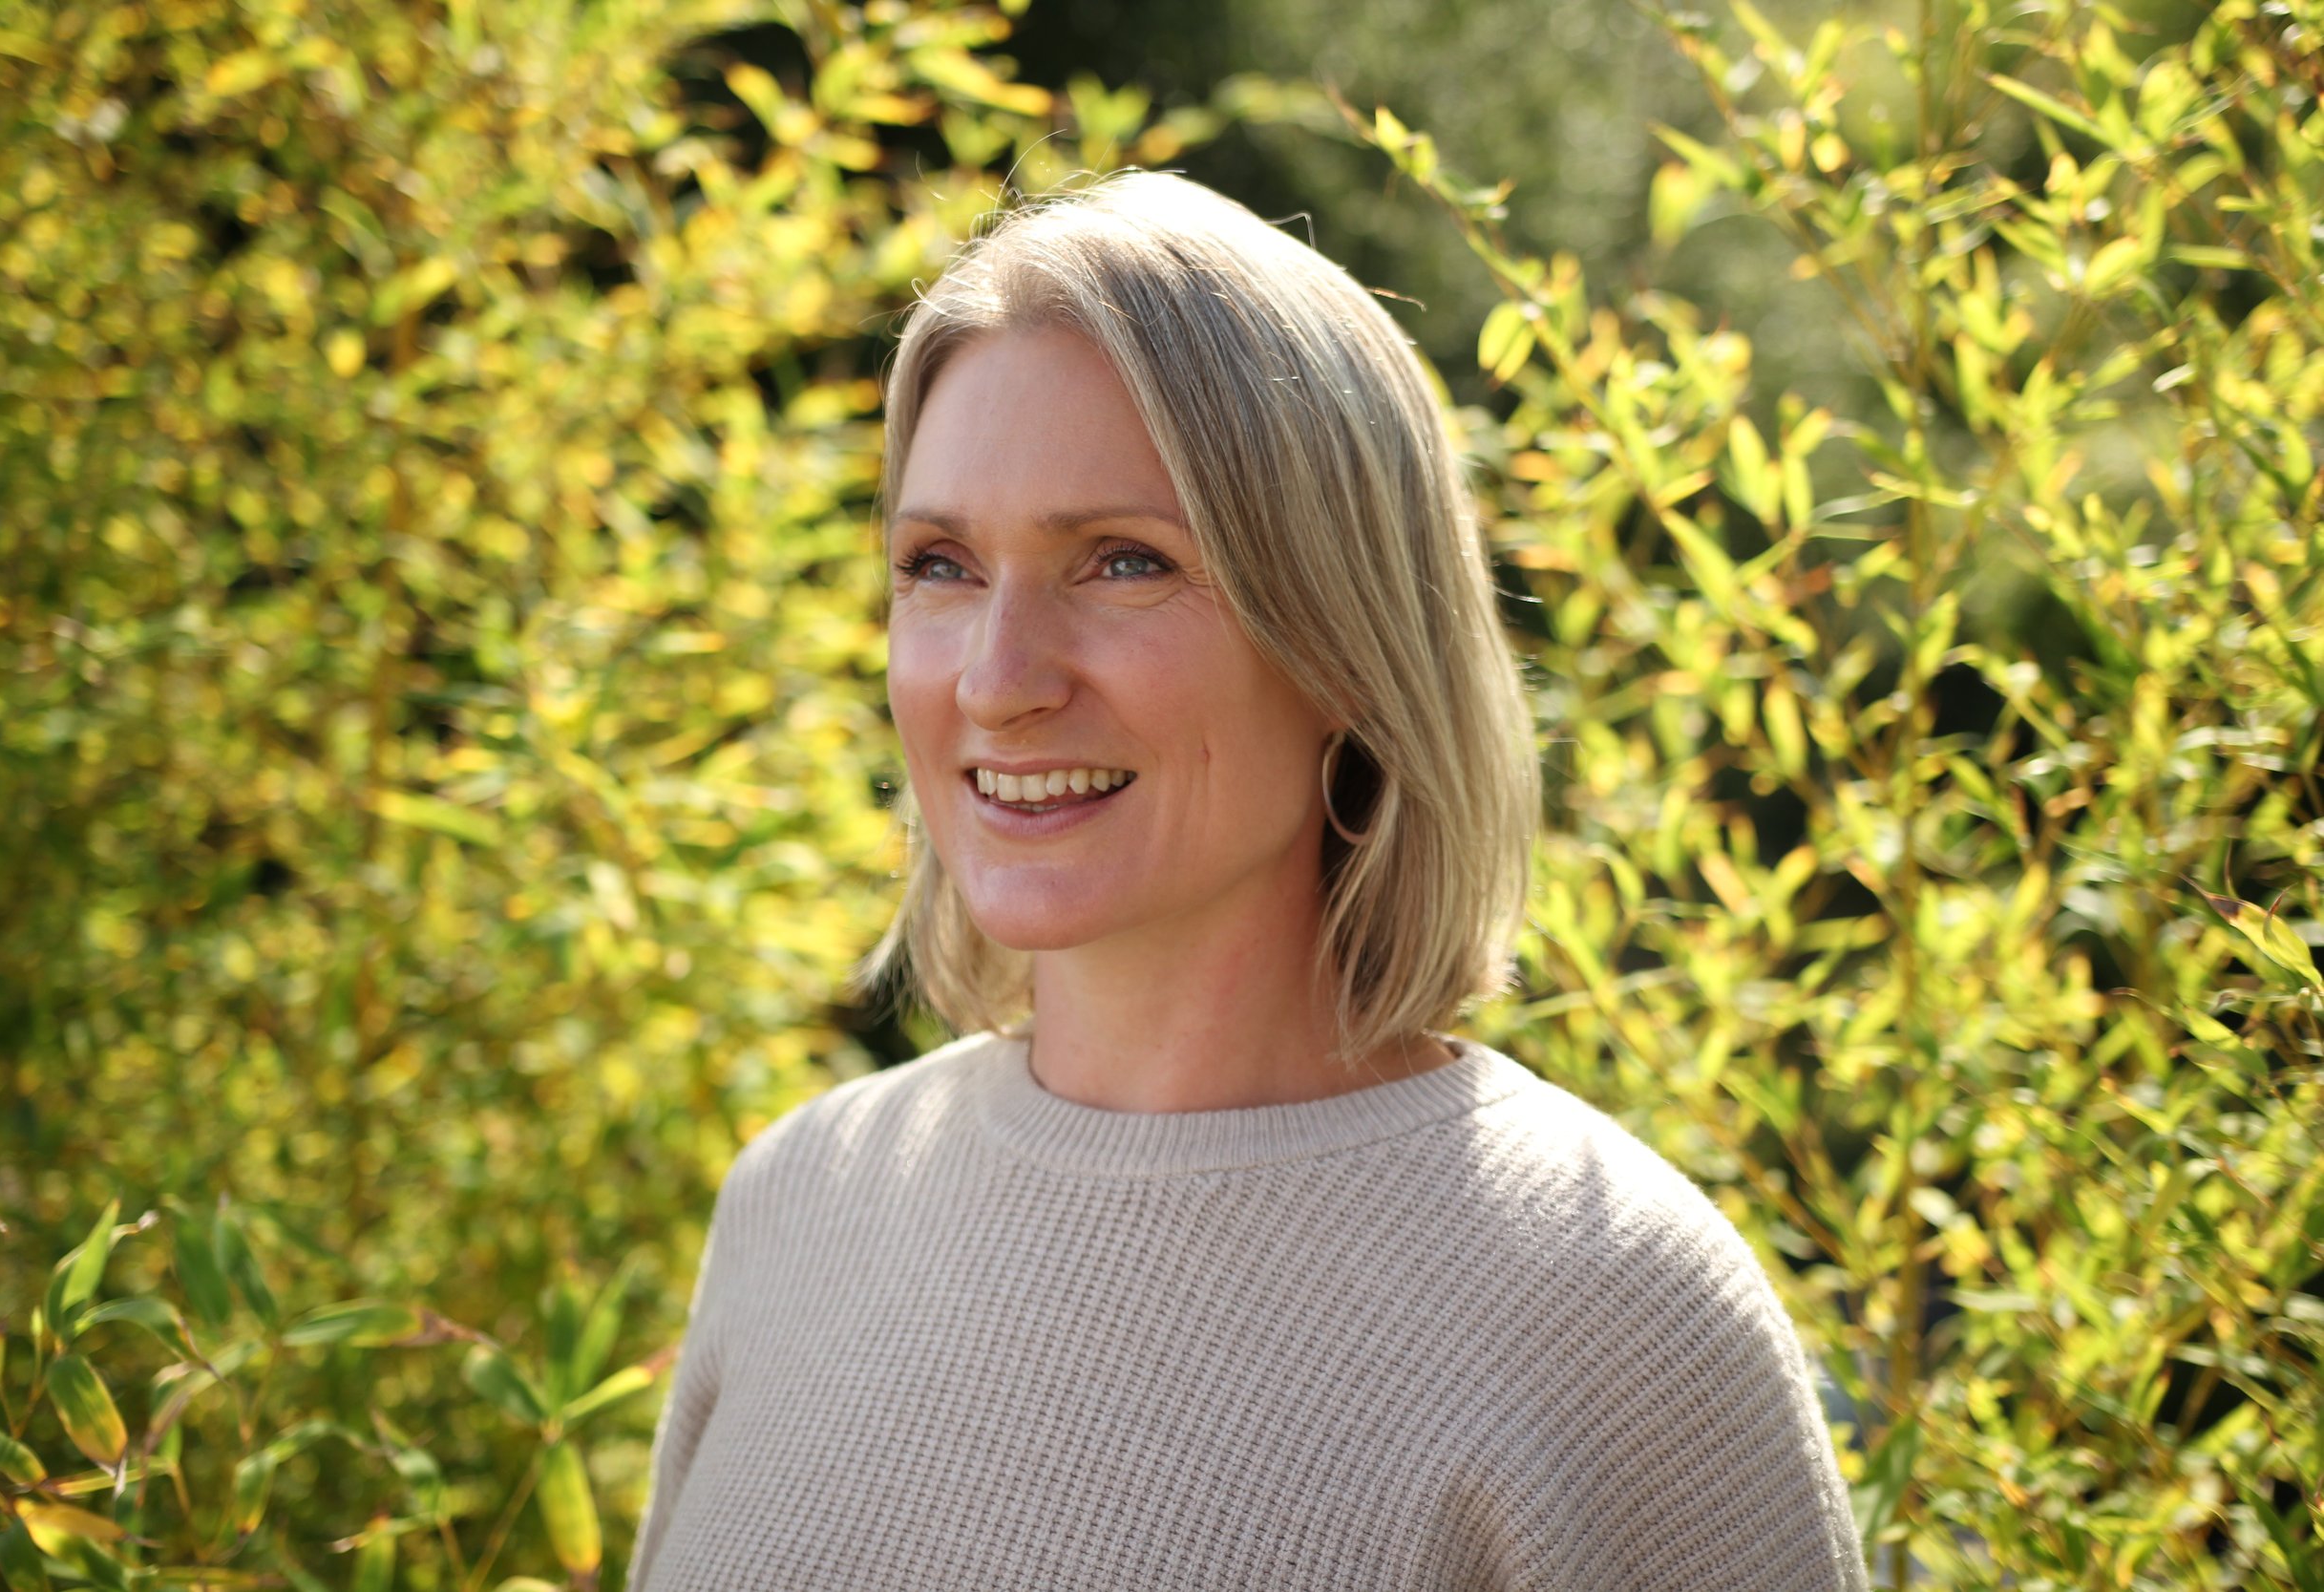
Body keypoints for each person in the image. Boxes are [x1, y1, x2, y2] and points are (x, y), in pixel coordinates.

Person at [625, 170, 1867, 1591]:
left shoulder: (1615, 1316)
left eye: (1122, 562)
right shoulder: (800, 1204)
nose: (997, 681)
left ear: (1345, 641)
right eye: (941, 565)